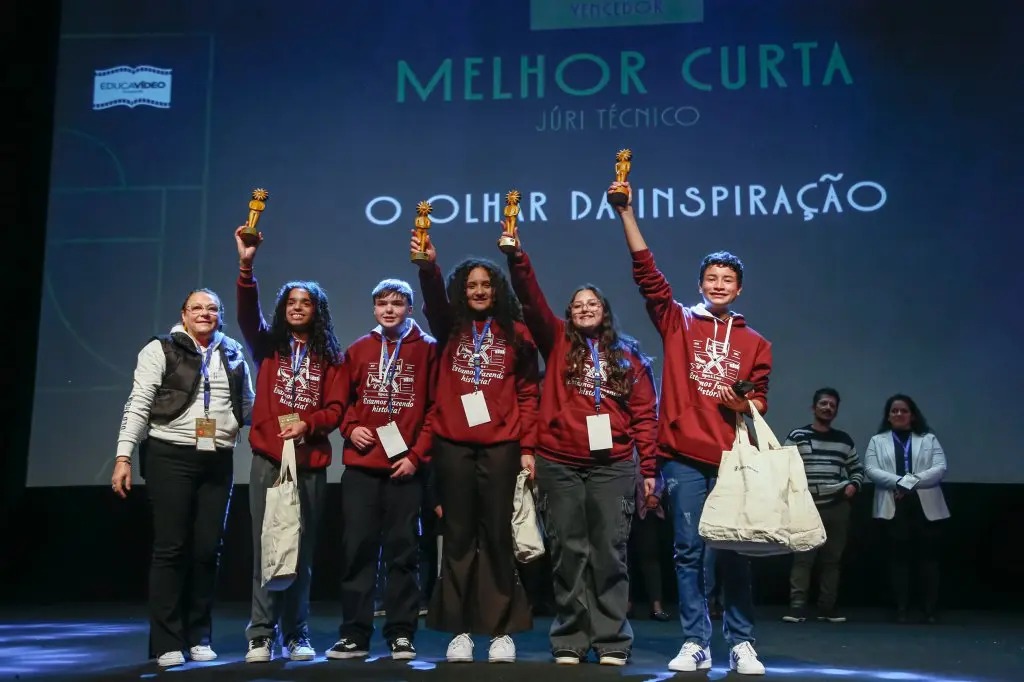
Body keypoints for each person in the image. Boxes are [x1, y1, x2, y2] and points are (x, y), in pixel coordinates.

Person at [612, 180, 772, 676]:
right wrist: (627, 214)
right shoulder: (677, 321)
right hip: (683, 457)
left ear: (739, 288)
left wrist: (745, 402)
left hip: (732, 459)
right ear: (700, 284)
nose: (719, 284)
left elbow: (761, 400)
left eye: (728, 279)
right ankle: (696, 641)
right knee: (687, 552)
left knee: (734, 553)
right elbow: (647, 274)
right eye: (711, 278)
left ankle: (742, 643)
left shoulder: (756, 342)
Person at [502, 238, 657, 665]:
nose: (585, 309)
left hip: (613, 466)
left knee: (609, 552)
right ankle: (570, 635)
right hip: (560, 463)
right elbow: (530, 300)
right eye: (577, 305)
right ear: (568, 314)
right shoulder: (557, 342)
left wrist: (649, 468)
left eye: (593, 304)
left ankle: (611, 639)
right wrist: (517, 258)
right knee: (569, 553)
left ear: (605, 310)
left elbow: (645, 415)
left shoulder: (628, 356)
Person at [410, 230, 539, 663]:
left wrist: (528, 447)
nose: (479, 291)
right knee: (459, 538)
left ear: (497, 290)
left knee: (499, 537)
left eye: (486, 285)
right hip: (453, 446)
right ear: (462, 292)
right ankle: (460, 630)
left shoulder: (517, 333)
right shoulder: (451, 328)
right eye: (472, 285)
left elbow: (528, 394)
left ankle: (501, 630)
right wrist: (429, 267)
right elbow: (433, 300)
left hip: (502, 447)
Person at [111, 288, 254, 668]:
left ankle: (198, 634)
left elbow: (248, 404)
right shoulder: (161, 349)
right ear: (184, 314)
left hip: (218, 458)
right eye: (197, 308)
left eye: (212, 309)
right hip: (169, 455)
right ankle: (166, 641)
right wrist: (123, 456)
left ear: (220, 315)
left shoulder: (233, 352)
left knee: (207, 549)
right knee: (171, 548)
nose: (205, 314)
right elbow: (139, 403)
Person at [234, 226, 346, 663]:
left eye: (306, 302)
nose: (298, 307)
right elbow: (247, 315)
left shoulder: (330, 357)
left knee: (302, 552)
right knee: (267, 548)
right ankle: (260, 634)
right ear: (283, 309)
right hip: (267, 462)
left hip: (310, 464)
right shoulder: (268, 346)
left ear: (317, 311)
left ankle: (296, 633)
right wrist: (246, 267)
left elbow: (335, 410)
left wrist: (308, 424)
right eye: (291, 302)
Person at [328, 279, 438, 662]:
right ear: (374, 308)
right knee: (357, 551)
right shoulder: (358, 349)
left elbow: (435, 410)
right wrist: (350, 428)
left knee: (403, 553)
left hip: (404, 469)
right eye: (382, 303)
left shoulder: (428, 350)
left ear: (410, 307)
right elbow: (340, 401)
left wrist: (416, 457)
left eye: (397, 303)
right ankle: (354, 634)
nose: (389, 309)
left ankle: (401, 633)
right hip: (362, 468)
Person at [864, 394, 949, 624]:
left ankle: (929, 610)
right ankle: (901, 609)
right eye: (894, 411)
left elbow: (940, 469)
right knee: (898, 561)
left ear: (912, 415)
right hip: (894, 507)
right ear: (888, 416)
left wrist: (908, 483)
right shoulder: (877, 441)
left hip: (926, 508)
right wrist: (900, 483)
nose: (899, 414)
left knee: (928, 561)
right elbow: (871, 470)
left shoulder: (928, 439)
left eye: (904, 410)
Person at [782, 387, 864, 624]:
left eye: (832, 405)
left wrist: (854, 485)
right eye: (824, 404)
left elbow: (857, 469)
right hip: (806, 506)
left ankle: (827, 608)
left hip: (837, 505)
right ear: (814, 407)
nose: (828, 408)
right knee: (803, 558)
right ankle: (797, 608)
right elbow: (783, 465)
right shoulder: (797, 435)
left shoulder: (844, 440)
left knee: (832, 560)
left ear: (836, 411)